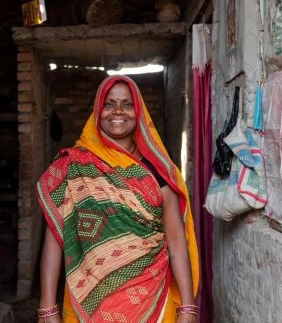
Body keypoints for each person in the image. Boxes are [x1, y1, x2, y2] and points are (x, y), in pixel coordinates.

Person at [36, 75, 200, 322]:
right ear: (97, 110)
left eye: (127, 104)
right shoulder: (73, 167)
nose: (118, 111)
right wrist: (47, 307)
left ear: (139, 112)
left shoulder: (158, 170)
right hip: (89, 301)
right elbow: (56, 237)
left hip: (152, 299)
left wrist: (187, 307)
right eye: (109, 103)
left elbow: (177, 241)